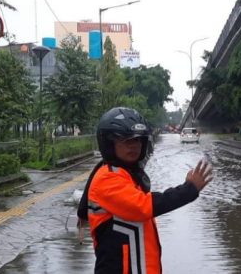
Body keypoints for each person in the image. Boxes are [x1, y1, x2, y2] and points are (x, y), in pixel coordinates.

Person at [77, 107, 213, 274]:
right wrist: (188, 190)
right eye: (126, 140)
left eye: (138, 140)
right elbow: (142, 206)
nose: (134, 146)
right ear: (109, 143)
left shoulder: (127, 174)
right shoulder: (107, 178)